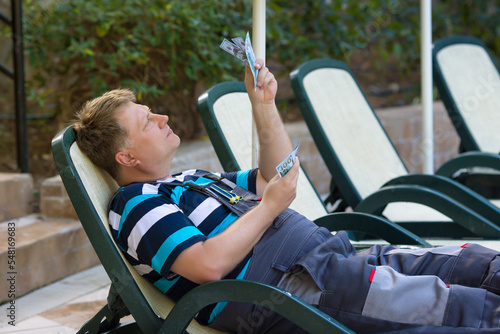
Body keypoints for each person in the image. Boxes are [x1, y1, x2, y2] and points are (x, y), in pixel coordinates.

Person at [72, 59, 500, 333]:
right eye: (148, 121)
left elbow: (275, 174)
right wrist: (272, 206)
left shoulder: (187, 180)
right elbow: (208, 264)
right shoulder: (135, 204)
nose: (162, 117)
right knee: (461, 309)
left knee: (475, 263)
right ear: (126, 155)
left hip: (331, 261)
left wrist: (263, 105)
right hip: (290, 289)